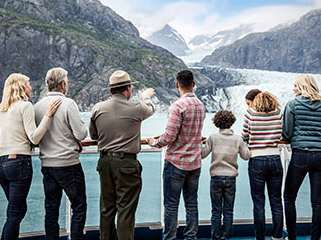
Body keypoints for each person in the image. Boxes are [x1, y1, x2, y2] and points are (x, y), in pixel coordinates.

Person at [0, 73, 61, 240]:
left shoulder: (2, 108)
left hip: (1, 165)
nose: (31, 87)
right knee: (14, 214)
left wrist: (10, 138)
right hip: (19, 163)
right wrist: (48, 115)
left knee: (19, 210)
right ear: (21, 87)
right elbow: (34, 137)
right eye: (28, 84)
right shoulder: (25, 106)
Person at [89, 70, 155, 240]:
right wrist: (146, 96)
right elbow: (150, 109)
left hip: (104, 163)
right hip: (127, 164)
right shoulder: (136, 108)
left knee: (106, 208)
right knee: (125, 210)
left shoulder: (97, 108)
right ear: (128, 88)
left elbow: (94, 136)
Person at [147, 69, 206, 240]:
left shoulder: (177, 106)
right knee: (191, 203)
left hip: (176, 163)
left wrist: (153, 143)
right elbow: (192, 132)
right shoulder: (201, 105)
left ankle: (170, 238)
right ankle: (191, 237)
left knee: (172, 205)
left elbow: (169, 136)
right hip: (195, 162)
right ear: (193, 84)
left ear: (177, 85)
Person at [34, 68, 88, 240]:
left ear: (47, 85)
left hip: (47, 165)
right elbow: (81, 134)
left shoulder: (37, 107)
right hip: (68, 164)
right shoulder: (68, 104)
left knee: (51, 209)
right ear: (63, 84)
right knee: (79, 206)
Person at [282, 74, 321, 240]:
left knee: (289, 197)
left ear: (302, 87)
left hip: (301, 155)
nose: (293, 88)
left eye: (295, 85)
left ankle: (292, 237)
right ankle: (314, 239)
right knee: (317, 201)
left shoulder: (292, 105)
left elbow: (287, 132)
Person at [201, 110, 250, 240]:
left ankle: (215, 236)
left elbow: (202, 154)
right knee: (228, 210)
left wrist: (200, 142)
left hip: (216, 177)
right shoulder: (238, 139)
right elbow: (246, 156)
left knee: (216, 210)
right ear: (232, 123)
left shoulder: (212, 137)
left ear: (216, 123)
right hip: (231, 178)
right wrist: (246, 143)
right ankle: (227, 236)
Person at [242, 91, 283, 240]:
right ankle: (277, 236)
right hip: (275, 159)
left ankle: (259, 237)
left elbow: (244, 136)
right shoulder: (278, 112)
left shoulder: (250, 114)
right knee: (276, 200)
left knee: (258, 202)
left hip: (257, 159)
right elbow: (281, 133)